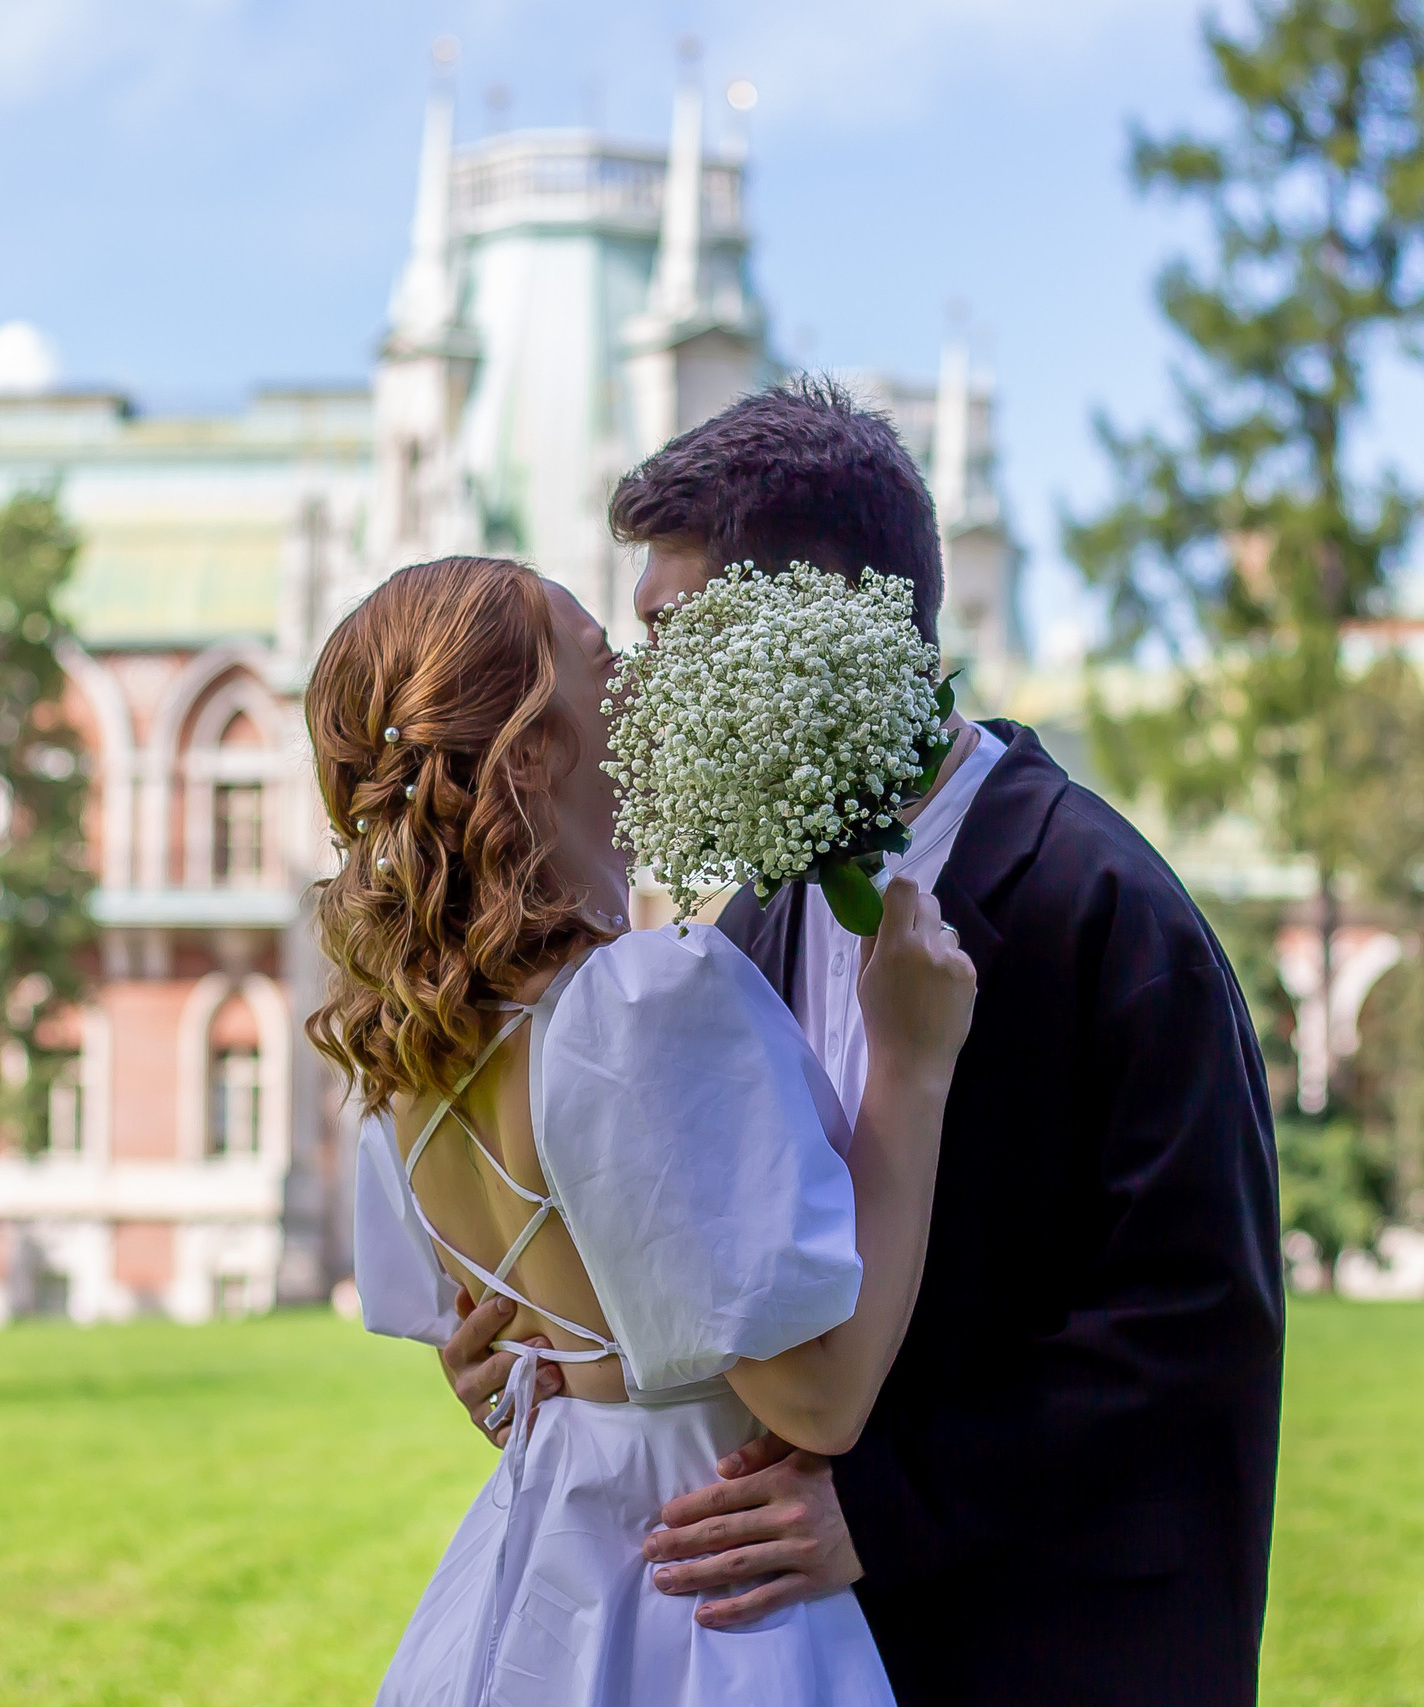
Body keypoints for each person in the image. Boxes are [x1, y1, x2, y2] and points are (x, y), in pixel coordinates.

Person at [435, 380, 1288, 1705]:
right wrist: (552, 1353)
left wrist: (886, 1510)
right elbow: (721, 1274)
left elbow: (1192, 1336)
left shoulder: (1104, 908)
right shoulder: (738, 926)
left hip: (1045, 1649)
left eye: (673, 635)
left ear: (820, 622)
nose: (638, 704)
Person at [311, 554, 978, 1706]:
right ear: (531, 748)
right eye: (603, 663)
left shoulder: (407, 1069)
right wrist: (909, 1065)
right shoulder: (639, 1007)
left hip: (538, 1590)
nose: (645, 688)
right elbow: (817, 1395)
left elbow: (525, 1354)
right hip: (705, 1611)